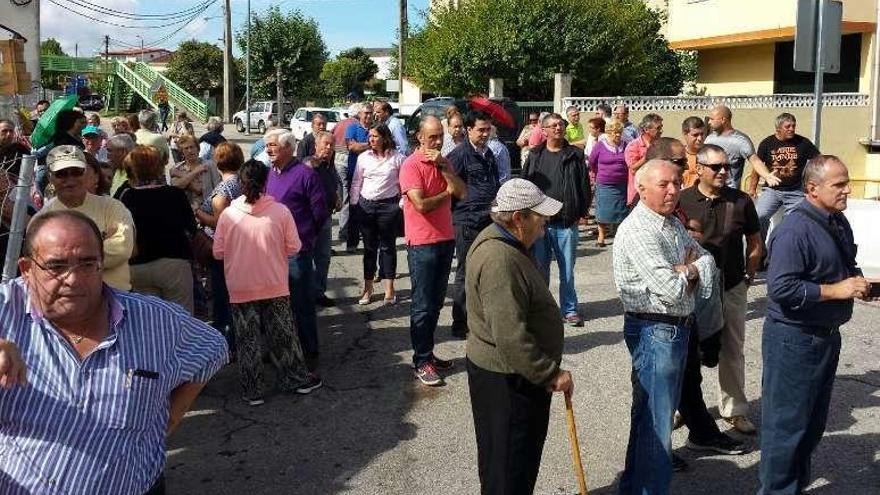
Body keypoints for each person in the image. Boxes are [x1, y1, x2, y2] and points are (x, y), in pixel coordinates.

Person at [0, 210, 228, 494]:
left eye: (87, 263)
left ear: (102, 263)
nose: (72, 279)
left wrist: (166, 418)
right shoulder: (6, 308)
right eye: (56, 266)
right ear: (26, 269)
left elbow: (213, 349)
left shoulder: (156, 321)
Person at [759, 155, 872, 494]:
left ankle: (793, 487)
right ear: (812, 188)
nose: (847, 190)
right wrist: (836, 290)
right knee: (786, 428)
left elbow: (844, 266)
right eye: (839, 184)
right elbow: (780, 288)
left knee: (810, 426)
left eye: (846, 182)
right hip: (794, 340)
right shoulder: (795, 230)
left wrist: (862, 285)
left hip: (824, 338)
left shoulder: (837, 221)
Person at [612, 159, 716, 495]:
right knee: (656, 424)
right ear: (641, 189)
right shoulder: (640, 230)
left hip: (674, 328)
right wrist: (688, 272)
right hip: (656, 330)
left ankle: (634, 487)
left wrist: (687, 269)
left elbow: (707, 259)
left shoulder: (670, 222)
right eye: (664, 185)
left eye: (676, 182)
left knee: (649, 418)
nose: (673, 190)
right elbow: (671, 291)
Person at [465, 178, 573, 495]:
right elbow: (510, 334)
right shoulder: (500, 259)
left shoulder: (508, 243)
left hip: (510, 375)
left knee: (509, 461)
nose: (545, 225)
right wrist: (549, 373)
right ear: (518, 218)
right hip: (509, 380)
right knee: (510, 463)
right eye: (539, 217)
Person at [213, 159, 323, 405]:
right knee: (283, 335)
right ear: (266, 182)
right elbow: (294, 246)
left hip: (241, 285)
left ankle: (253, 389)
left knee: (247, 339)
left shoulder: (229, 215)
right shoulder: (281, 212)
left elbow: (218, 252)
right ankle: (294, 378)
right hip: (274, 283)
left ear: (240, 184)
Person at [678, 144, 762, 452]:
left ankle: (734, 410)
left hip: (731, 286)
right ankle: (683, 408)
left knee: (732, 348)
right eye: (717, 167)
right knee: (688, 352)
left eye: (727, 166)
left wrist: (749, 277)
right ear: (699, 169)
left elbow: (755, 242)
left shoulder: (740, 201)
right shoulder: (682, 199)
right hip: (692, 290)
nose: (724, 171)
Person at [399, 116, 467, 386]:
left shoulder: (444, 161)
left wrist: (445, 170)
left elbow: (462, 192)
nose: (438, 141)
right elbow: (421, 205)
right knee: (422, 305)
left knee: (437, 302)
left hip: (445, 239)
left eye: (440, 136)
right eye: (433, 137)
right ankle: (421, 360)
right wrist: (446, 193)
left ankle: (428, 354)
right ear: (420, 137)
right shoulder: (410, 165)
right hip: (422, 243)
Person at [265, 129, 329, 368]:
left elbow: (320, 213)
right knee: (277, 305)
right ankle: (280, 349)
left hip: (297, 253)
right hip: (272, 252)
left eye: (273, 145)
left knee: (302, 305)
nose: (269, 150)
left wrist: (306, 237)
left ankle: (309, 352)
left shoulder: (305, 175)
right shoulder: (270, 173)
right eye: (267, 146)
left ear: (289, 148)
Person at [521, 112, 591, 327]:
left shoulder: (574, 155)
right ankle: (542, 310)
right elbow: (525, 185)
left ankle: (569, 310)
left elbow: (584, 186)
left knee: (567, 271)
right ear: (543, 131)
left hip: (566, 222)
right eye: (553, 126)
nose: (558, 128)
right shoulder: (534, 155)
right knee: (540, 270)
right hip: (539, 224)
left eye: (560, 125)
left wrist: (580, 212)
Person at [37, 145, 135, 291]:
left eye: (76, 172)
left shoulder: (113, 208)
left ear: (86, 173)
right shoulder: (43, 218)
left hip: (116, 296)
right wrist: (99, 247)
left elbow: (122, 249)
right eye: (61, 173)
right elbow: (43, 261)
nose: (70, 179)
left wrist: (65, 258)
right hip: (69, 298)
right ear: (50, 176)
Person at [120, 145, 198, 314]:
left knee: (149, 322)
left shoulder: (126, 196)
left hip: (137, 265)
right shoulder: (175, 194)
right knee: (181, 320)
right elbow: (191, 227)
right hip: (174, 262)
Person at [446, 111, 501, 338]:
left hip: (488, 219)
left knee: (485, 271)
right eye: (481, 129)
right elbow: (450, 187)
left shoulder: (489, 154)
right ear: (468, 129)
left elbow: (494, 183)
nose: (485, 134)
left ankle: (480, 319)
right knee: (466, 271)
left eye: (488, 129)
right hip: (467, 221)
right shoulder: (458, 155)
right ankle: (460, 322)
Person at [350, 124, 404, 306]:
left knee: (388, 247)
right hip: (367, 205)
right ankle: (368, 288)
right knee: (369, 249)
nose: (371, 139)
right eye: (370, 136)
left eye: (375, 136)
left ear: (384, 138)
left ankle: (390, 288)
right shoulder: (363, 158)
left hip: (389, 207)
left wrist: (402, 203)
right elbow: (357, 182)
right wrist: (354, 204)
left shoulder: (397, 158)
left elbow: (404, 183)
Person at [194, 142, 244, 341]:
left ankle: (226, 340)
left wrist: (197, 211)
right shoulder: (242, 182)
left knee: (222, 296)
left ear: (218, 162)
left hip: (221, 249)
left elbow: (219, 223)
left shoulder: (224, 189)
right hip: (239, 246)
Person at [752, 113, 820, 238]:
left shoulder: (803, 143)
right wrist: (752, 188)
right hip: (772, 190)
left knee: (795, 221)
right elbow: (756, 167)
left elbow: (818, 162)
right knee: (759, 216)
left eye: (793, 126)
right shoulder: (767, 143)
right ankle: (760, 250)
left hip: (796, 191)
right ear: (778, 128)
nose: (792, 129)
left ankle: (784, 247)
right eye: (787, 126)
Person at [305, 131, 342, 308]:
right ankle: (305, 293)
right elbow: (306, 166)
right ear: (316, 145)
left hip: (326, 217)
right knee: (306, 257)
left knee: (323, 257)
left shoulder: (329, 165)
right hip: (309, 220)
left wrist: (336, 196)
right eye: (325, 144)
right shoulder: (309, 163)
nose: (328, 148)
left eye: (331, 145)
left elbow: (333, 183)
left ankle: (319, 292)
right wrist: (313, 163)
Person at [588, 119, 628, 247]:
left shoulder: (626, 145)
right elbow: (592, 162)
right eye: (614, 132)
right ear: (608, 132)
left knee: (621, 210)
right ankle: (601, 236)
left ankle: (618, 235)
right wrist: (598, 173)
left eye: (619, 132)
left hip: (621, 183)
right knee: (602, 210)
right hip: (604, 183)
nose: (617, 135)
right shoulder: (600, 145)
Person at [704, 104, 762, 190]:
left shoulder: (740, 140)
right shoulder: (708, 139)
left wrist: (767, 176)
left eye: (712, 119)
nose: (709, 122)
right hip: (709, 191)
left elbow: (755, 160)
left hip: (730, 193)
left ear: (723, 120)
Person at [344, 104, 374, 252]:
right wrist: (371, 144)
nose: (369, 116)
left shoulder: (375, 129)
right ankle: (352, 243)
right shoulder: (353, 128)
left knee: (371, 208)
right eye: (366, 113)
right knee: (354, 207)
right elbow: (352, 147)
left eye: (371, 113)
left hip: (372, 175)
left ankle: (371, 241)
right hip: (355, 173)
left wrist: (362, 145)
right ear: (360, 114)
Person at [171, 134, 222, 211]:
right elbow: (176, 186)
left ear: (198, 148)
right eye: (186, 148)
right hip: (185, 211)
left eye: (192, 147)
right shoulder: (177, 168)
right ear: (182, 152)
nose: (189, 151)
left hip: (208, 210)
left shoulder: (209, 165)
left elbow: (218, 188)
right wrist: (195, 172)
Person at [333, 103, 361, 247]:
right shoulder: (357, 124)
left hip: (337, 160)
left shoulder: (339, 124)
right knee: (351, 195)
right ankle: (347, 231)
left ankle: (344, 230)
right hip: (349, 159)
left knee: (343, 194)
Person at [624, 113, 663, 206]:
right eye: (658, 128)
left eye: (661, 127)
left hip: (657, 193)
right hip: (638, 194)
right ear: (646, 130)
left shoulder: (661, 145)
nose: (661, 131)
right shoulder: (634, 146)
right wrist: (647, 156)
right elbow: (633, 168)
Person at [106, 133, 135, 198]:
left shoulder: (136, 174)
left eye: (109, 151)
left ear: (122, 152)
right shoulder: (118, 169)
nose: (107, 156)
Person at [681, 116, 707, 187]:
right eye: (695, 135)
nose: (700, 138)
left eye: (702, 134)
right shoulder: (679, 156)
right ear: (685, 135)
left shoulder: (710, 154)